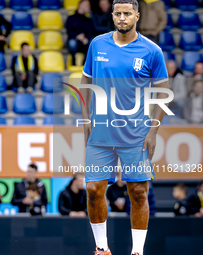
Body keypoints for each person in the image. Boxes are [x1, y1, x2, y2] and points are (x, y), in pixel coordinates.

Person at [80, 0, 169, 254]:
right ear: (112, 15)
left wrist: (153, 129)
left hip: (136, 134)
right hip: (101, 131)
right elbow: (85, 83)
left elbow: (163, 92)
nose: (121, 18)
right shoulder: (98, 44)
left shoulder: (151, 51)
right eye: (117, 13)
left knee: (138, 192)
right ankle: (102, 248)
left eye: (127, 13)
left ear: (137, 16)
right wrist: (85, 119)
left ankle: (137, 251)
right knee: (94, 189)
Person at [66, 0, 93, 66]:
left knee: (91, 43)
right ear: (81, 5)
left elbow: (90, 32)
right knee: (72, 43)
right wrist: (77, 36)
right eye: (87, 5)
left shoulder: (88, 20)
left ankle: (85, 61)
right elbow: (69, 31)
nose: (88, 7)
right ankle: (73, 59)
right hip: (74, 40)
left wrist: (85, 39)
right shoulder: (71, 18)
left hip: (84, 42)